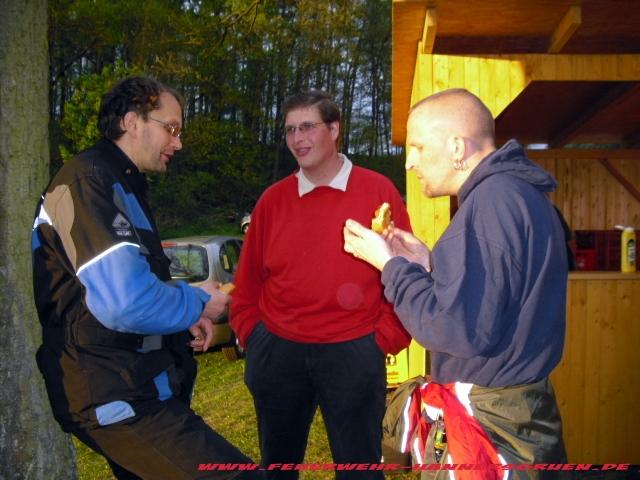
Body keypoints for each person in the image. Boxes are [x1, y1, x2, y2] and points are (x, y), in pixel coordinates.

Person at [32, 76, 262, 480]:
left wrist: (181, 315)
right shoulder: (90, 181)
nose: (178, 142)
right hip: (115, 396)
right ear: (132, 120)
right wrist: (198, 302)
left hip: (133, 386)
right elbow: (125, 303)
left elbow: (132, 286)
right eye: (171, 128)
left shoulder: (121, 184)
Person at [343, 88, 567, 473]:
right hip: (518, 416)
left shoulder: (491, 203)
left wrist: (390, 267)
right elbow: (495, 298)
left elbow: (453, 328)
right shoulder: (516, 194)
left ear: (457, 147)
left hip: (491, 433)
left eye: (417, 147)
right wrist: (426, 264)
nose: (410, 162)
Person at [231, 90, 412, 479]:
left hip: (354, 350)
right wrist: (253, 335)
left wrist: (382, 339)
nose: (298, 139)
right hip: (279, 352)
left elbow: (405, 270)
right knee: (277, 468)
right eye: (290, 130)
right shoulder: (272, 201)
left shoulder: (377, 191)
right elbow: (246, 283)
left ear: (334, 129)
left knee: (360, 471)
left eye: (308, 127)